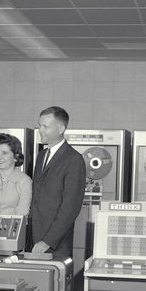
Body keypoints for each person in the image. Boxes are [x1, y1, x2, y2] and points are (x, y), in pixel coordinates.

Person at [30, 106, 86, 257]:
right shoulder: (41, 156)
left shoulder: (74, 159)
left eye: (45, 126)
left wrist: (47, 241)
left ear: (60, 128)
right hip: (35, 238)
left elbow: (70, 207)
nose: (40, 130)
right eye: (39, 125)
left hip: (55, 244)